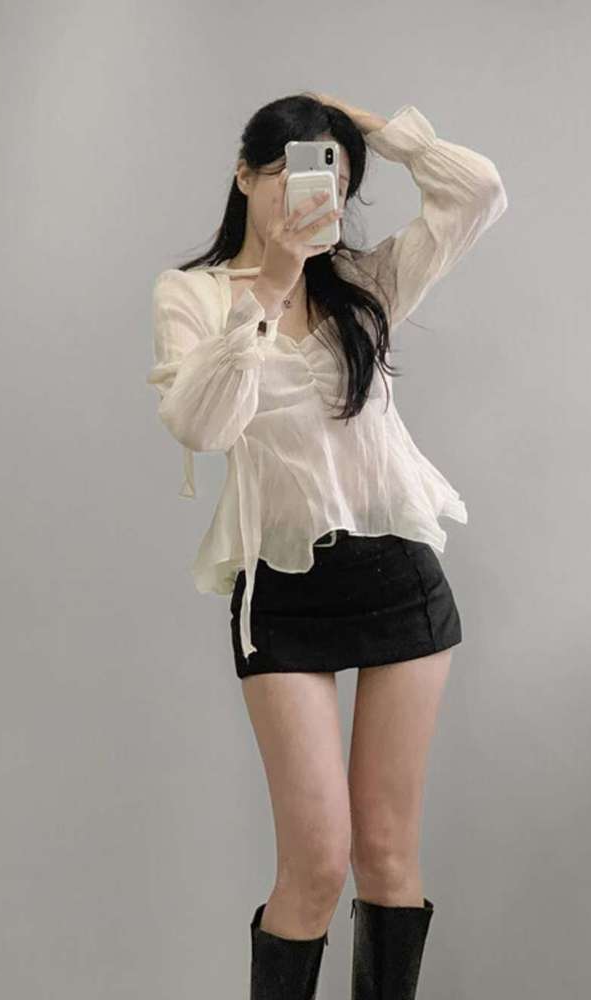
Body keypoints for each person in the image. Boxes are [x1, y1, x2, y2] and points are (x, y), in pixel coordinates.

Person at [146, 91, 508, 999]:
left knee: (387, 854)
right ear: (245, 175)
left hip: (398, 576)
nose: (314, 193)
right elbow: (201, 427)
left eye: (333, 180)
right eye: (292, 170)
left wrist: (381, 135)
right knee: (314, 866)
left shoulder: (366, 286)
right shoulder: (193, 294)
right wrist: (270, 283)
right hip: (283, 592)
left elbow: (479, 193)